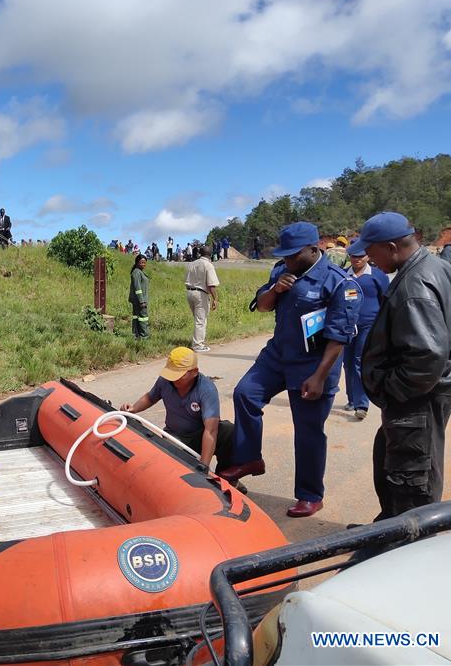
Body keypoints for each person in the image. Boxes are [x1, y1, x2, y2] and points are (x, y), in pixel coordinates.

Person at [219, 222, 362, 518]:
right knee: (245, 394)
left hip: (314, 365)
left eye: (293, 255)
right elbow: (261, 307)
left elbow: (339, 337)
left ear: (314, 249)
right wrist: (275, 288)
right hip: (277, 356)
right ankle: (249, 459)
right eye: (283, 255)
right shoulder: (281, 271)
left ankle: (310, 495)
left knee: (308, 431)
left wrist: (320, 376)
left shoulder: (338, 282)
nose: (288, 260)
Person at [350, 212, 451, 521]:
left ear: (390, 247)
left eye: (370, 250)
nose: (368, 257)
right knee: (391, 454)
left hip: (418, 397)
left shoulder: (414, 286)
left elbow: (426, 356)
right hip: (429, 390)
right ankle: (389, 525)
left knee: (412, 475)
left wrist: (391, 390)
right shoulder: (437, 266)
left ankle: (410, 542)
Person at [121, 347, 236, 475]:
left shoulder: (206, 389)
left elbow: (211, 431)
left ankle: (226, 477)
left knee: (229, 430)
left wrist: (203, 467)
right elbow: (150, 397)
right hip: (174, 436)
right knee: (168, 467)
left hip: (199, 436)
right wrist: (133, 408)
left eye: (180, 375)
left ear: (194, 372)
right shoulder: (165, 381)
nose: (174, 379)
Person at [342, 242, 389, 420]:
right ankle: (352, 399)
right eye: (353, 256)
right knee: (347, 363)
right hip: (346, 326)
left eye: (360, 256)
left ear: (368, 256)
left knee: (358, 361)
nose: (357, 260)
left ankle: (362, 404)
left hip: (368, 326)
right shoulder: (343, 275)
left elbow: (385, 300)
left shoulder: (377, 276)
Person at [185, 245, 219, 353]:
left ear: (200, 253)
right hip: (201, 294)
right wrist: (215, 299)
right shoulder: (208, 265)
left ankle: (198, 341)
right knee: (201, 320)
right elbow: (211, 285)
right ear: (210, 254)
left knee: (197, 319)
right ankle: (197, 345)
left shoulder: (192, 264)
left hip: (190, 292)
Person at [128, 254, 150, 340]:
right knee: (143, 318)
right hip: (140, 301)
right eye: (141, 262)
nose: (143, 264)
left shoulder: (139, 272)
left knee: (137, 317)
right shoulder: (137, 272)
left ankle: (136, 336)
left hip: (139, 300)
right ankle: (144, 337)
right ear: (137, 263)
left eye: (145, 262)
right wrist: (142, 301)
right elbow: (138, 288)